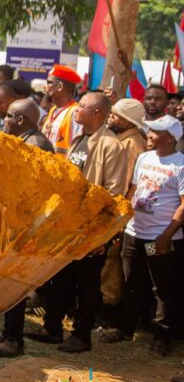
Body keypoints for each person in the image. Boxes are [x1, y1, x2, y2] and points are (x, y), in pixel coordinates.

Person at [28, 92, 128, 353]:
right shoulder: (79, 139)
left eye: (82, 107)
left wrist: (102, 232)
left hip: (91, 228)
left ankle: (82, 334)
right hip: (68, 224)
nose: (76, 110)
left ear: (97, 113)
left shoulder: (111, 146)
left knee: (87, 283)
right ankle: (52, 327)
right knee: (61, 277)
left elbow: (114, 193)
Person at [101, 115, 184, 356]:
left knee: (162, 287)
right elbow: (133, 191)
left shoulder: (180, 164)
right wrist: (121, 224)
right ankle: (126, 329)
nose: (149, 134)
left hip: (159, 239)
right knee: (133, 281)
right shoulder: (144, 157)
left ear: (170, 138)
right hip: (134, 233)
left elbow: (182, 204)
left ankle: (162, 336)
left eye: (155, 131)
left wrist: (167, 235)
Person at [0, 98, 55, 357]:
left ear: (21, 120)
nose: (5, 120)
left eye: (9, 116)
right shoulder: (26, 140)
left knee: (16, 280)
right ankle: (8, 331)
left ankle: (14, 340)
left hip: (26, 224)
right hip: (15, 220)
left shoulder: (36, 145)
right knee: (9, 281)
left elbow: (33, 189)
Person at [100, 97, 148, 321]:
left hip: (120, 211)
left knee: (113, 261)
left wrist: (117, 218)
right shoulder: (120, 138)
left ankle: (109, 310)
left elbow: (125, 182)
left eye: (116, 114)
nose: (111, 117)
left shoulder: (132, 144)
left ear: (129, 120)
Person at [40, 64, 83, 155]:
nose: (45, 86)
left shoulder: (75, 111)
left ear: (59, 86)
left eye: (49, 82)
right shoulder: (53, 110)